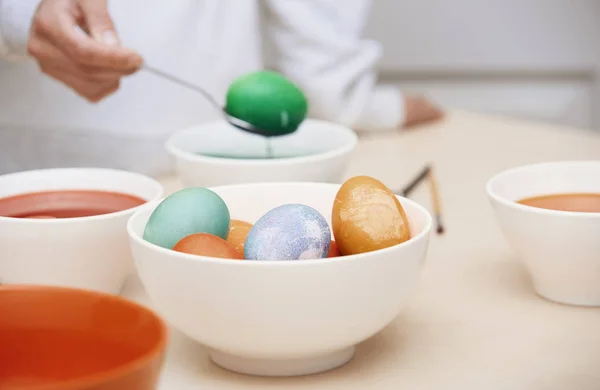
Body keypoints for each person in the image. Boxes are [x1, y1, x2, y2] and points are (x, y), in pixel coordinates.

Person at [0, 0, 443, 177]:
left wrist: (20, 17)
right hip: (203, 152)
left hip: (23, 148)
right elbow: (319, 42)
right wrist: (351, 102)